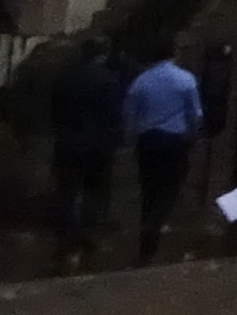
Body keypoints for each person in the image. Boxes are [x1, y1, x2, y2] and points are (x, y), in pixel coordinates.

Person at [121, 40, 204, 264]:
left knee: (149, 187)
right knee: (170, 186)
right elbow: (195, 115)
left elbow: (130, 113)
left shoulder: (141, 81)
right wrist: (192, 137)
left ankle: (147, 225)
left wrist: (131, 139)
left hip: (148, 140)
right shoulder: (185, 79)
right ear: (173, 54)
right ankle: (155, 224)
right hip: (175, 140)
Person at [44, 39, 124, 269]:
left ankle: (66, 237)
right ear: (103, 54)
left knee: (66, 191)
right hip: (97, 145)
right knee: (94, 190)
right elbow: (113, 114)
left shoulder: (64, 78)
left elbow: (55, 111)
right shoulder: (107, 80)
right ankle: (86, 233)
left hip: (68, 142)